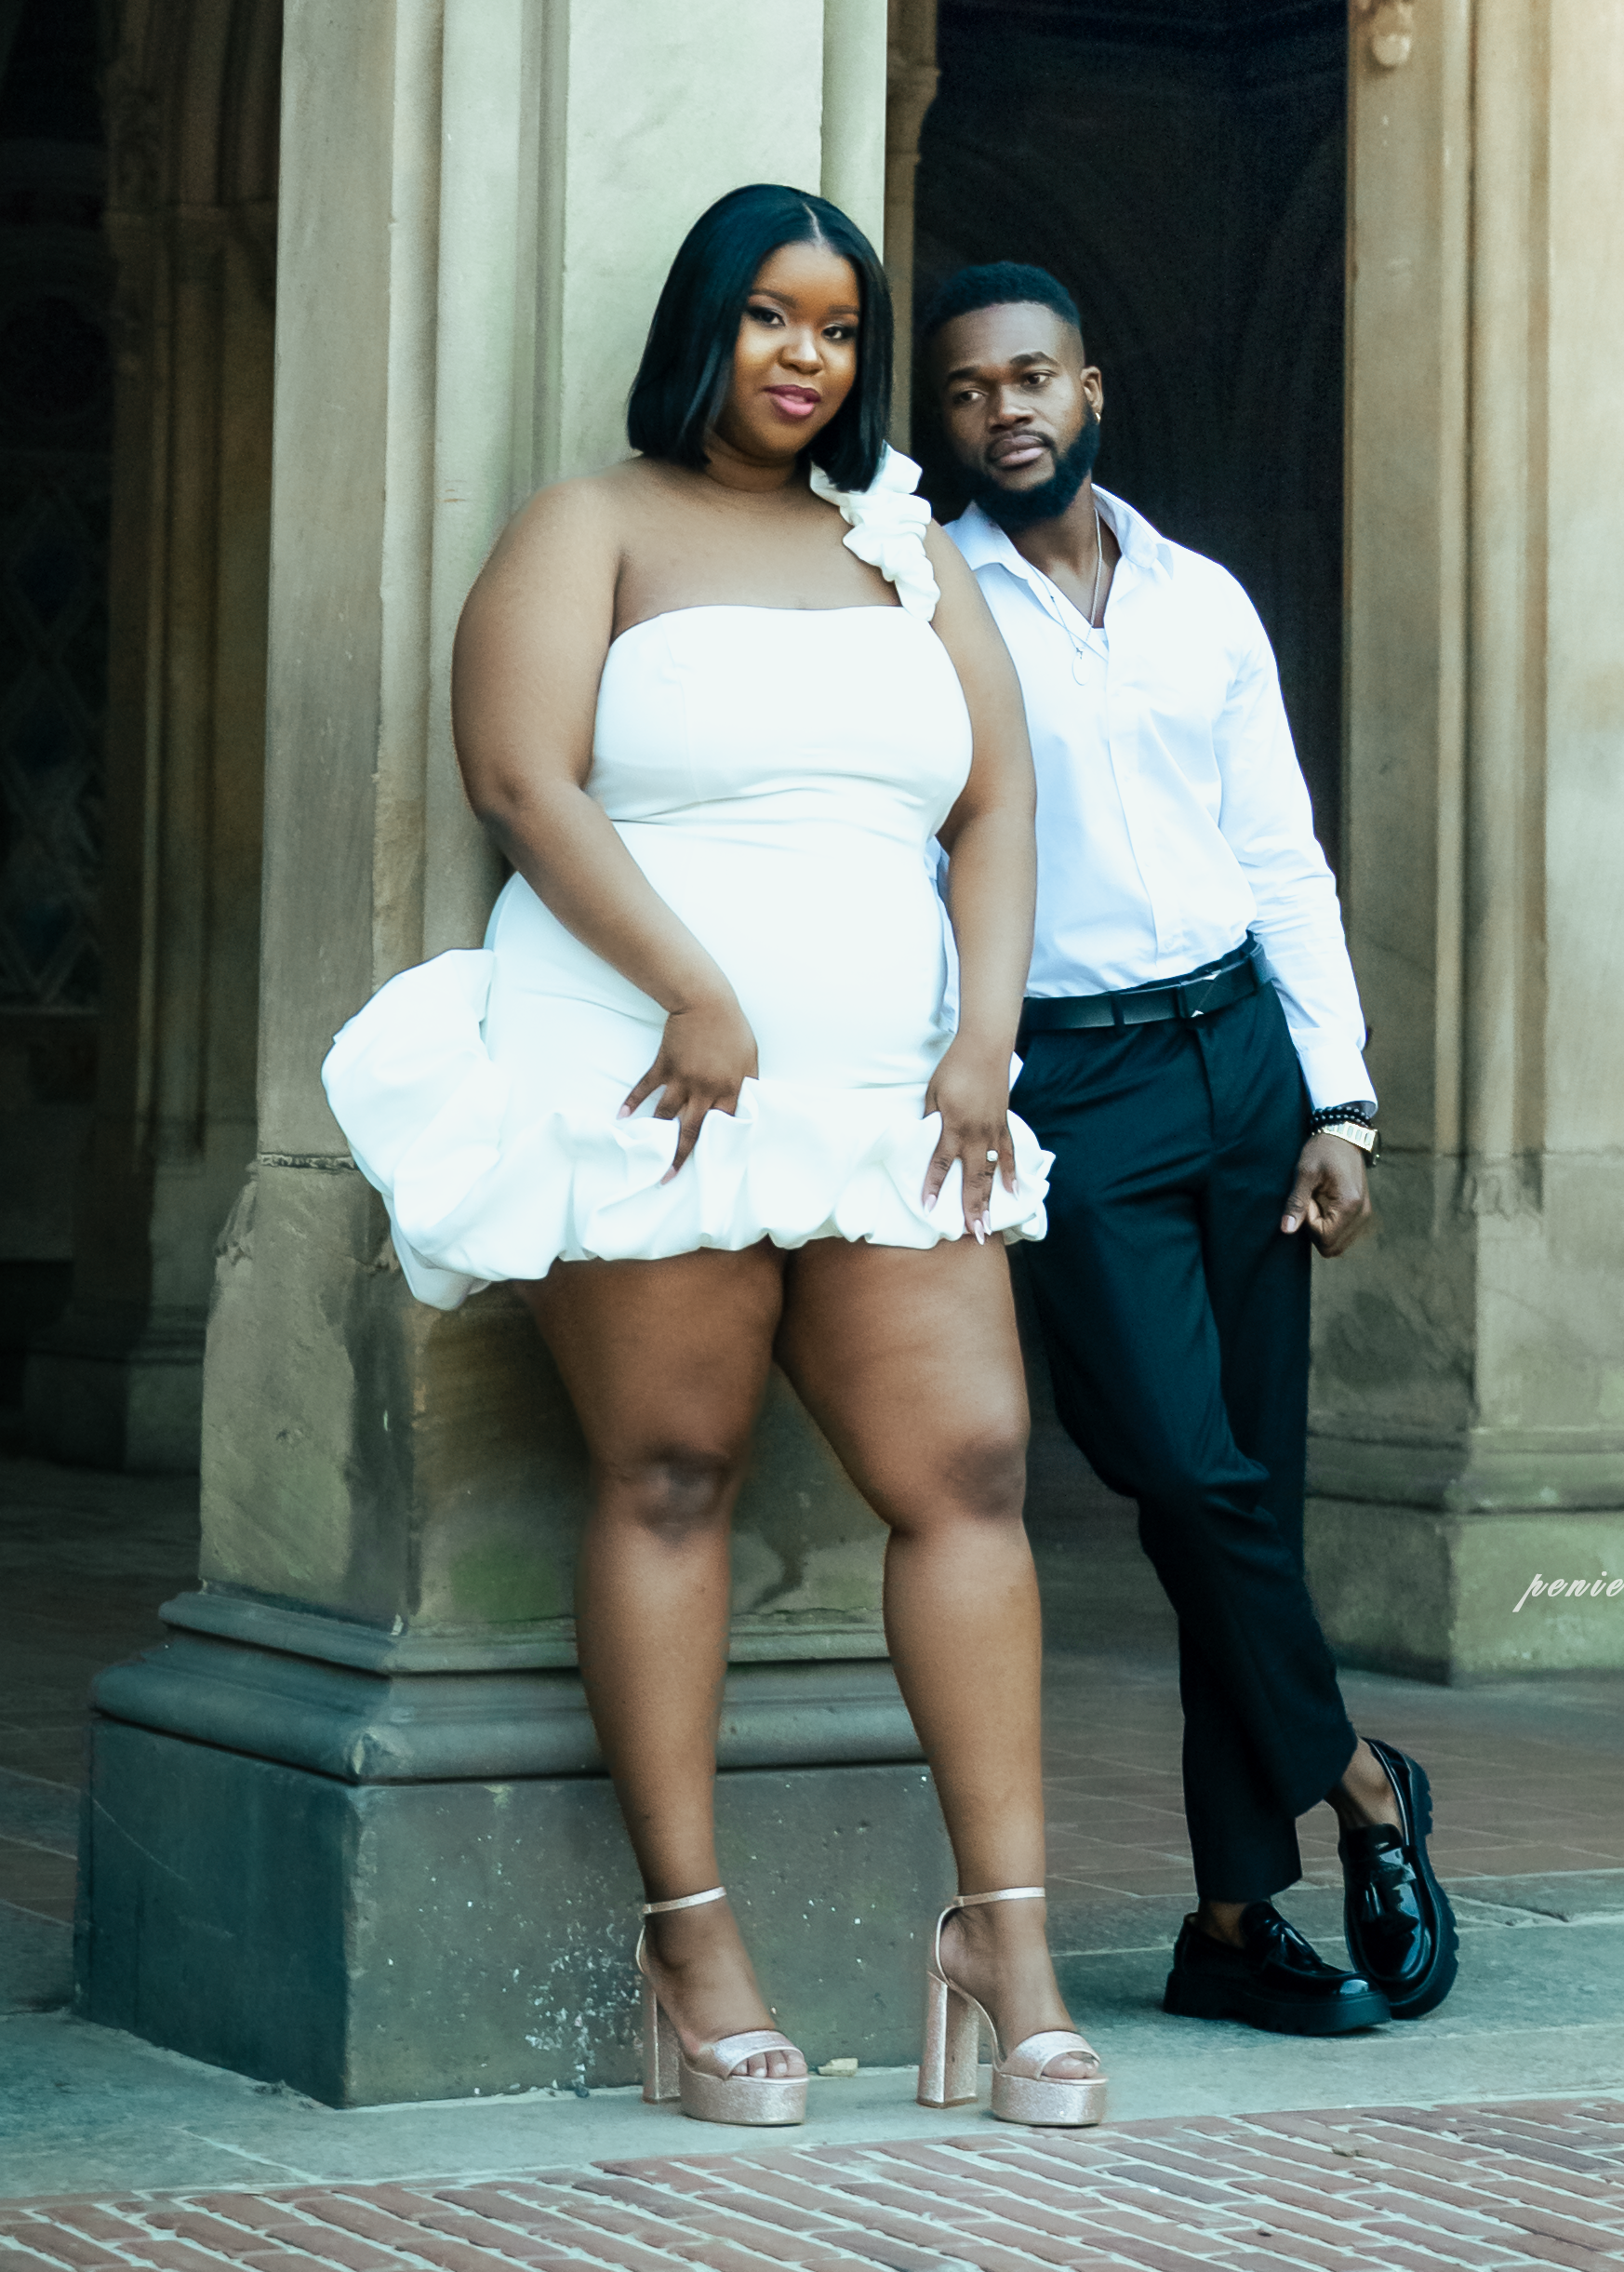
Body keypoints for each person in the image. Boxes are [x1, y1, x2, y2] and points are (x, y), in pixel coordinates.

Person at [323, 187, 1104, 2131]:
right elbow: (519, 774)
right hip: (650, 1067)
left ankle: (1003, 1938)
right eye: (771, 317)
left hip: (889, 1097)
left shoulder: (905, 551)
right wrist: (688, 984)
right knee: (671, 1472)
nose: (807, 357)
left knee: (974, 1471)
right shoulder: (587, 525)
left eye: (838, 327)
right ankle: (696, 1948)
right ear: (706, 327)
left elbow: (997, 804)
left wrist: (984, 1040)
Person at [925, 258, 1458, 2041]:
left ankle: (1233, 1918)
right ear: (948, 426)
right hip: (1069, 1090)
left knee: (1249, 1498)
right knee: (1179, 1472)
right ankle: (1365, 1777)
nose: (1006, 407)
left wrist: (1339, 1098)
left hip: (1240, 1062)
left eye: (1032, 377)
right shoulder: (929, 606)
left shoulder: (1204, 601)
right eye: (968, 391)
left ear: (1094, 393)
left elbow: (1281, 852)